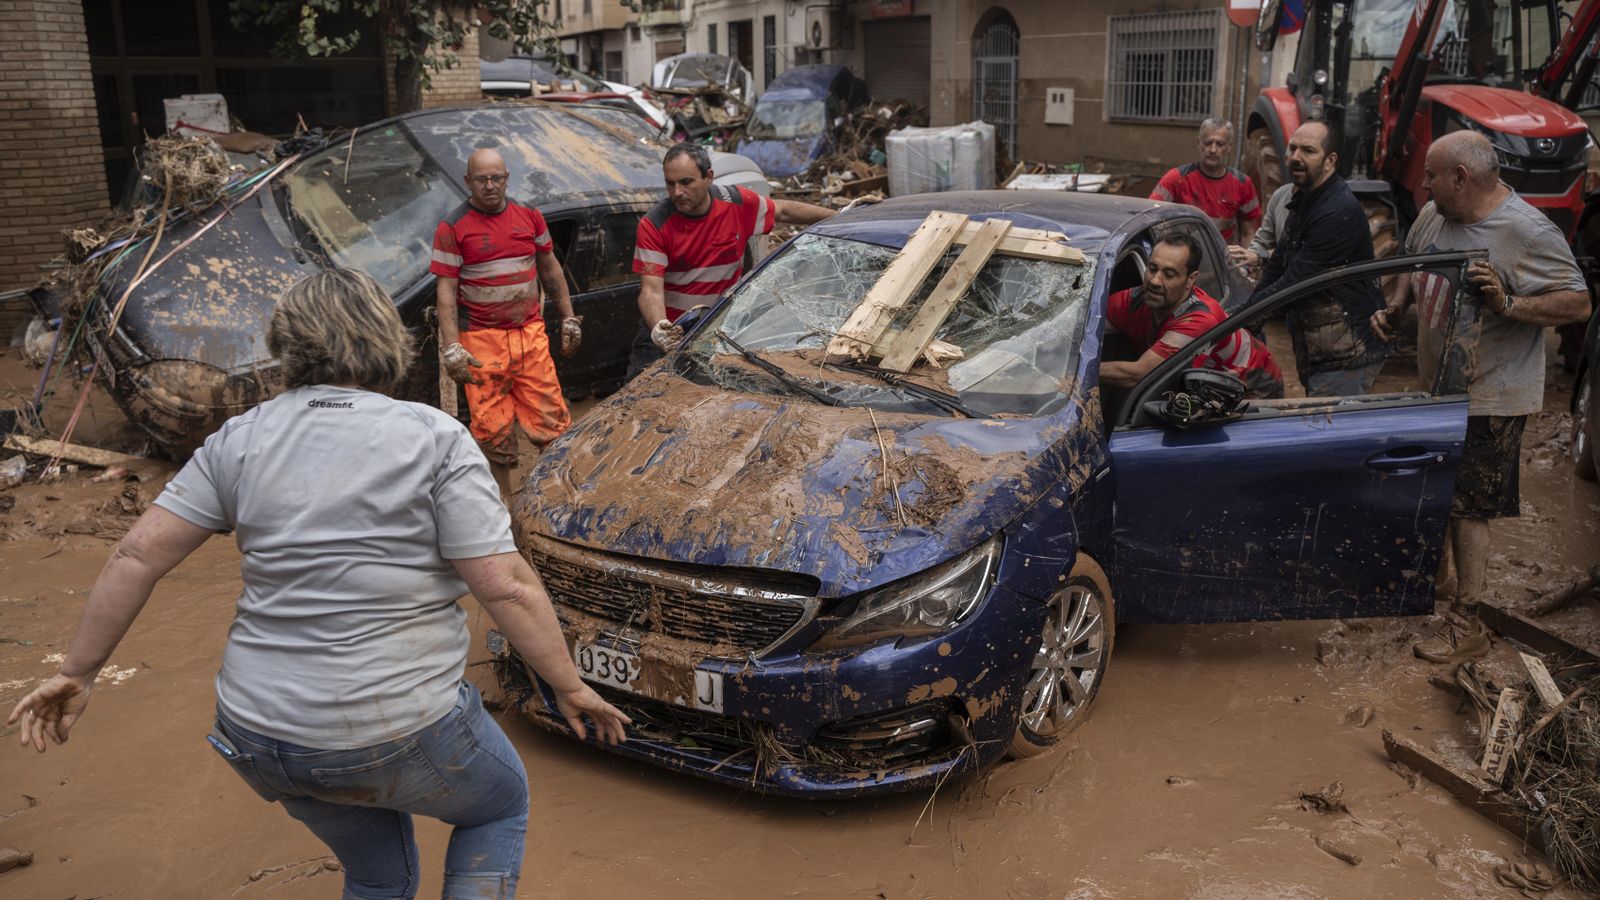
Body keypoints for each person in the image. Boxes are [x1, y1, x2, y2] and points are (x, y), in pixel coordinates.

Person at [8, 269, 630, 899]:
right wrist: (570, 686)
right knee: (498, 807)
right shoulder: (434, 438)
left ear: (287, 342)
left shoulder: (239, 439)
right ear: (385, 338)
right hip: (398, 727)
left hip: (258, 735)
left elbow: (135, 555)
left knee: (377, 875)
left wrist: (78, 672)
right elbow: (506, 586)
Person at [1371, 130, 1589, 608]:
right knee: (1442, 494)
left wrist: (1508, 303)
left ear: (1460, 177)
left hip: (1494, 394)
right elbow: (1412, 260)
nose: (1423, 185)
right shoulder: (1435, 214)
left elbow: (1579, 304)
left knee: (1470, 509)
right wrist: (1398, 304)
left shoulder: (1527, 232)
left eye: (1430, 176)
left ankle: (1468, 622)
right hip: (1440, 389)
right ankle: (1444, 586)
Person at [432, 147, 582, 499]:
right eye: (481, 179)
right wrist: (452, 347)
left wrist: (568, 317)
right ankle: (503, 503)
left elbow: (550, 269)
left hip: (529, 334)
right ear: (468, 182)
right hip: (482, 341)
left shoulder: (529, 216)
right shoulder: (453, 227)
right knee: (492, 428)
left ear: (506, 179)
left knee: (552, 419)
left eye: (496, 178)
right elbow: (446, 293)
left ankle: (554, 496)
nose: (489, 186)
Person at [628, 142, 837, 378]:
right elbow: (650, 291)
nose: (677, 192)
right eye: (670, 183)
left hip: (714, 329)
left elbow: (783, 211)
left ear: (708, 178)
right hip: (667, 332)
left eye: (686, 182)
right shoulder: (655, 224)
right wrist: (659, 328)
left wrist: (843, 216)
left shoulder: (736, 203)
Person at [1250, 120, 1390, 396]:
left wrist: (1243, 321)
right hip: (1322, 347)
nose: (1296, 158)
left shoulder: (1337, 210)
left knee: (1329, 431)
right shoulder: (1304, 199)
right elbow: (1278, 265)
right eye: (1293, 149)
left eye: (1308, 151)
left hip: (1346, 353)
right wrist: (1247, 316)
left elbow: (1296, 281)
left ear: (1330, 160)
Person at [1101, 232, 1284, 398]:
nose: (1155, 281)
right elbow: (1086, 323)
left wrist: (1076, 372)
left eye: (1169, 274)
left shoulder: (1199, 320)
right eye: (1152, 268)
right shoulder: (1134, 300)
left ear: (1190, 279)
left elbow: (1139, 374)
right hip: (1206, 384)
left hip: (1253, 385)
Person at [1150, 118, 1262, 246]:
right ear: (1199, 143)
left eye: (1220, 144)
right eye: (1208, 143)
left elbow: (1249, 232)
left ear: (1229, 146)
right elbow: (1151, 216)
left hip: (1222, 259)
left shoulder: (1242, 184)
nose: (1213, 149)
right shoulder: (1176, 178)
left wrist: (1244, 263)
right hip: (1183, 257)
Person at [1227, 182, 1294, 277]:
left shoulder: (1321, 206)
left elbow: (1294, 250)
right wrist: (1245, 266)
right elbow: (1263, 240)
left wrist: (1260, 256)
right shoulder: (1281, 195)